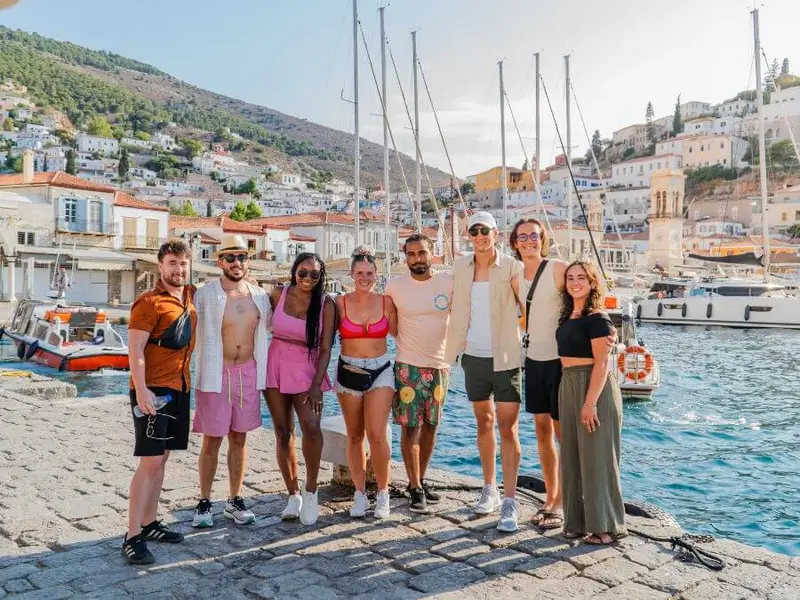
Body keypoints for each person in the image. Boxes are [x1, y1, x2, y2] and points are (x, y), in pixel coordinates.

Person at [444, 211, 525, 533]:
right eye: (474, 231)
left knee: (508, 429)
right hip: (473, 358)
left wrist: (517, 332)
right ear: (469, 235)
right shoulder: (460, 267)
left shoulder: (511, 267)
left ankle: (509, 501)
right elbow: (447, 303)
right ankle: (489, 489)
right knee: (484, 423)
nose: (479, 236)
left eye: (485, 231)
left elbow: (527, 305)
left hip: (506, 357)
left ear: (497, 234)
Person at [123, 240, 196, 565]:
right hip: (153, 391)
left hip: (179, 388)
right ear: (160, 266)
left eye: (182, 263)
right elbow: (135, 351)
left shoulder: (190, 298)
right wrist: (141, 391)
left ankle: (150, 523)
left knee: (162, 459)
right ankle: (131, 536)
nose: (178, 269)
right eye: (171, 263)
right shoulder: (148, 303)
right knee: (150, 462)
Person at [191, 235, 272, 528]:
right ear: (219, 261)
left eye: (241, 257)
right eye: (230, 257)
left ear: (248, 261)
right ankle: (204, 501)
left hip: (248, 374)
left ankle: (235, 499)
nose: (236, 263)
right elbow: (186, 331)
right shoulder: (203, 295)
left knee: (240, 438)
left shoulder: (260, 296)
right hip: (215, 374)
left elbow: (277, 329)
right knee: (212, 439)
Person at [556, 260, 626, 545]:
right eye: (571, 277)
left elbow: (602, 364)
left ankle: (604, 528)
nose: (575, 282)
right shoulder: (567, 314)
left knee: (597, 457)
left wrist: (590, 403)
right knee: (571, 456)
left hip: (592, 388)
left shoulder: (598, 318)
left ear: (592, 282)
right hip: (568, 383)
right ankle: (575, 522)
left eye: (581, 277)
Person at [265, 252, 335, 526]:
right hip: (275, 366)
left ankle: (311, 491)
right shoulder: (277, 295)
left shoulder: (326, 304)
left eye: (314, 275)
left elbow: (327, 347)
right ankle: (292, 494)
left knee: (312, 427)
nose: (307, 278)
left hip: (308, 370)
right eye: (302, 272)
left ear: (320, 277)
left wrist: (317, 385)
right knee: (283, 433)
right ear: (294, 271)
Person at [386, 234, 452, 514]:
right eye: (411, 254)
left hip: (441, 366)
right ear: (405, 257)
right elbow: (391, 325)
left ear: (432, 253)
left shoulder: (448, 283)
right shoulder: (395, 286)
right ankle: (413, 487)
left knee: (431, 427)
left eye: (422, 253)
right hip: (408, 366)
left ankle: (421, 480)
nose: (417, 259)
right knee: (410, 427)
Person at [510, 218, 568, 530]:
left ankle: (563, 500)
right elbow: (524, 318)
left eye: (535, 235)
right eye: (523, 236)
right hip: (533, 360)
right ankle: (550, 495)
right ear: (515, 242)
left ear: (542, 239)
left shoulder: (558, 269)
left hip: (561, 361)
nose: (530, 240)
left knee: (562, 434)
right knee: (542, 432)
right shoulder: (515, 278)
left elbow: (585, 299)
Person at [335, 246, 397, 520]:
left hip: (381, 369)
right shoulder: (339, 304)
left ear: (376, 274)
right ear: (351, 274)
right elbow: (321, 337)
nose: (364, 277)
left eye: (369, 273)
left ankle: (383, 494)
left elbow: (406, 334)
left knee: (377, 434)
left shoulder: (386, 302)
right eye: (359, 272)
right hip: (349, 369)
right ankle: (360, 494)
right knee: (355, 435)